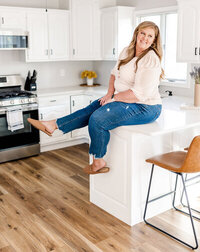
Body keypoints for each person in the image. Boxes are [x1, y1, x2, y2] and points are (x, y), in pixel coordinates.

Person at [28, 21, 163, 175]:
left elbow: (139, 94)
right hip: (125, 99)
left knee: (98, 119)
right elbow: (114, 74)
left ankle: (98, 160)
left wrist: (114, 98)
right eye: (142, 33)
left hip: (145, 107)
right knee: (93, 107)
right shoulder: (127, 51)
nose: (145, 38)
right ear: (137, 33)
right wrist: (108, 94)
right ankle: (53, 125)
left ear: (154, 40)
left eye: (150, 36)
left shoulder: (150, 59)